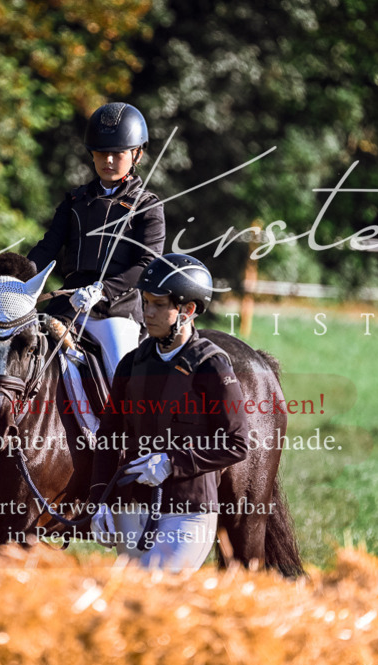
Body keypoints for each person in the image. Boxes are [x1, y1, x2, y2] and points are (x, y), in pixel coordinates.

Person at [88, 254, 250, 571]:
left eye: (158, 305)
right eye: (145, 301)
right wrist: (99, 501)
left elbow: (238, 443)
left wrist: (171, 463)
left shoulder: (212, 366)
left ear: (188, 310)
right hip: (131, 507)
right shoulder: (131, 364)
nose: (146, 312)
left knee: (154, 588)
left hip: (187, 509)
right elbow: (108, 435)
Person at [27, 102, 166, 382]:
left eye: (118, 154)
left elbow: (147, 263)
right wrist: (17, 279)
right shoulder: (75, 201)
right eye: (102, 153)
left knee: (122, 378)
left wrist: (101, 290)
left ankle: (129, 426)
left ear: (136, 154)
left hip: (116, 312)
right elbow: (47, 248)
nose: (109, 161)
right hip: (67, 306)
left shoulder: (147, 206)